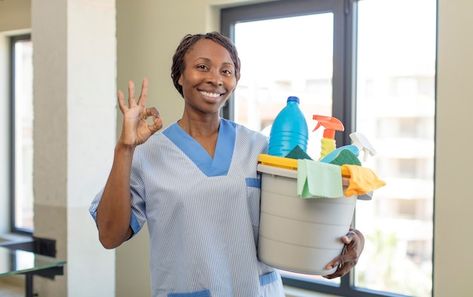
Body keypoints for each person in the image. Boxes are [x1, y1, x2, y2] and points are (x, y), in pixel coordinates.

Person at [89, 32, 364, 297]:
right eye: (201, 67)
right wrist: (125, 148)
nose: (215, 79)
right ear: (180, 76)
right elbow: (110, 236)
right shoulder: (148, 154)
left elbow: (304, 210)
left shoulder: (259, 149)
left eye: (226, 71)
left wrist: (353, 238)